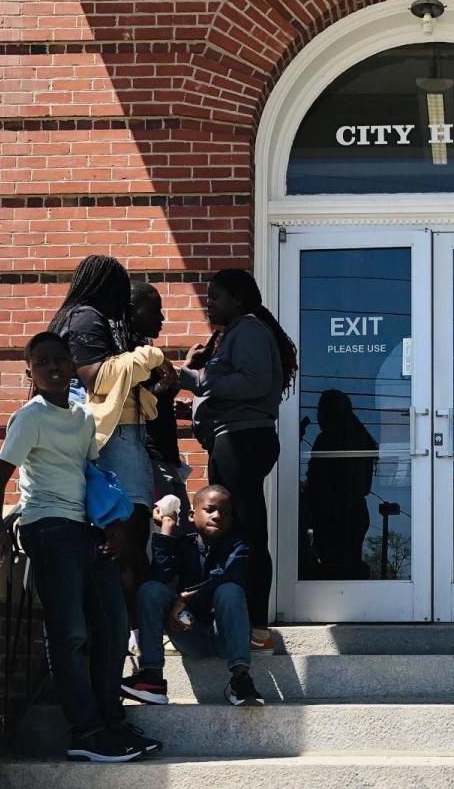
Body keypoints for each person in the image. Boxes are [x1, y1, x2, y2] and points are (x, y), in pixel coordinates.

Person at [0, 332, 161, 762]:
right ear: (29, 371)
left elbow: (91, 475)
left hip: (87, 530)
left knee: (113, 629)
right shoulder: (31, 417)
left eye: (60, 360)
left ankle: (113, 723)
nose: (53, 368)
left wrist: (113, 523)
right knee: (69, 634)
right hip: (49, 530)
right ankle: (85, 731)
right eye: (42, 362)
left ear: (71, 363)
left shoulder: (83, 417)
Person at [49, 256, 176, 640]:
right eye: (121, 291)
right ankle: (131, 635)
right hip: (115, 440)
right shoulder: (86, 317)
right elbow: (97, 378)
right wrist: (152, 357)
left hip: (116, 437)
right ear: (108, 288)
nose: (123, 301)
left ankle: (120, 633)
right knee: (127, 536)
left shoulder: (80, 318)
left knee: (124, 536)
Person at [177, 269, 297, 654]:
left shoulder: (247, 329)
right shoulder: (241, 330)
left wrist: (196, 380)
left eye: (215, 296)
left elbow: (254, 381)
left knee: (245, 532)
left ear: (239, 300)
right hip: (236, 439)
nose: (209, 302)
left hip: (242, 441)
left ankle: (256, 628)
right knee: (238, 531)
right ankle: (238, 620)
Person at [120, 485, 265, 707]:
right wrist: (166, 531)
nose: (217, 516)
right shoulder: (183, 544)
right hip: (189, 634)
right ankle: (152, 677)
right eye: (210, 509)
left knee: (230, 590)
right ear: (191, 515)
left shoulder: (239, 545)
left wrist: (184, 598)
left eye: (225, 513)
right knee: (151, 589)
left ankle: (241, 680)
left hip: (226, 636)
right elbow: (159, 577)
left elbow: (229, 575)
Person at [129, 281, 191, 525]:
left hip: (165, 458)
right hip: (151, 461)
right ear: (131, 310)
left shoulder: (145, 349)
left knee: (181, 534)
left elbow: (152, 399)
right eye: (154, 311)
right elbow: (132, 404)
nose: (161, 317)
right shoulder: (128, 353)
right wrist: (163, 388)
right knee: (170, 535)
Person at [303, 389, 378, 579]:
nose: (317, 416)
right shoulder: (363, 439)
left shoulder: (327, 441)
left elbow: (316, 483)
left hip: (335, 514)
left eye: (321, 411)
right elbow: (365, 486)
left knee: (335, 566)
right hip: (354, 512)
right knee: (348, 562)